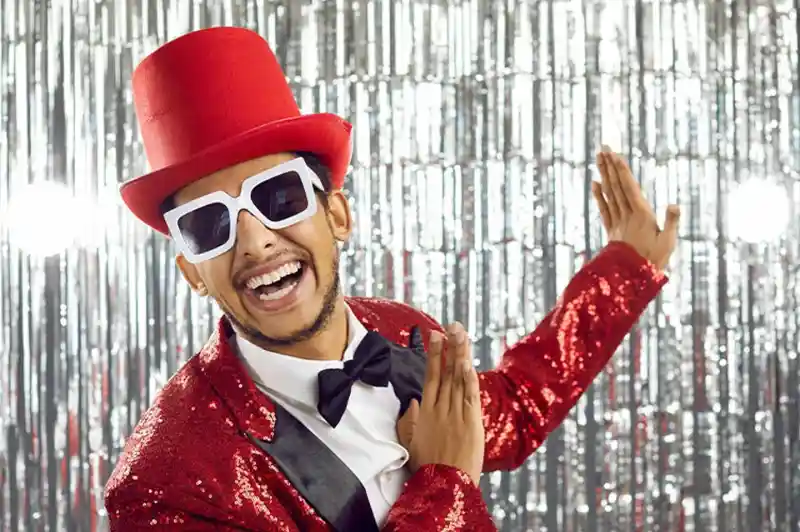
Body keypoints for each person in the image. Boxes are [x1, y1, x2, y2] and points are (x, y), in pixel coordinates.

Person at [104, 27, 680, 531]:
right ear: (192, 272)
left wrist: (626, 269)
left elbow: (516, 408)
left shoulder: (405, 333)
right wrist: (446, 483)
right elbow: (457, 470)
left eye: (278, 196)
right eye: (210, 225)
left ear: (336, 216)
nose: (254, 241)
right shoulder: (165, 479)